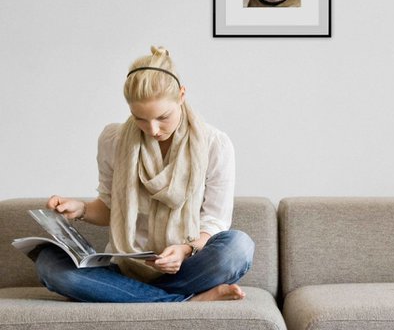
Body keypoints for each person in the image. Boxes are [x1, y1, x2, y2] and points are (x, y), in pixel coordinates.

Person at [34, 46, 254, 303]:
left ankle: (130, 297)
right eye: (139, 118)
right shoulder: (113, 140)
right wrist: (80, 208)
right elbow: (110, 208)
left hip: (186, 267)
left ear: (182, 95)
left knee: (239, 247)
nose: (152, 129)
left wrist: (184, 250)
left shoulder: (215, 144)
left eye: (163, 117)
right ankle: (184, 302)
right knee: (48, 264)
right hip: (124, 268)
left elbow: (214, 221)